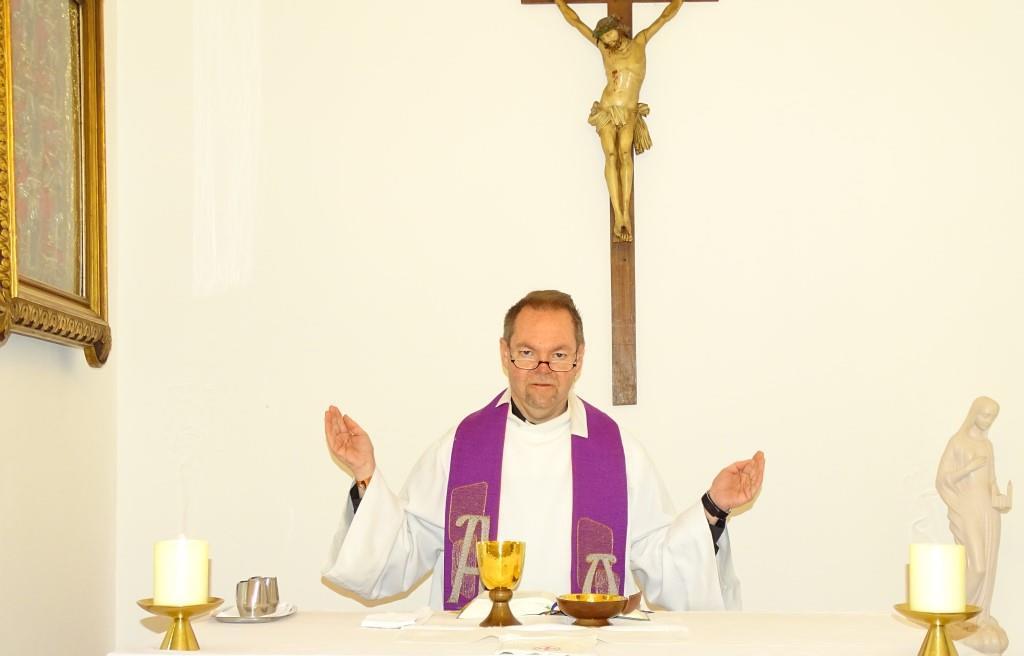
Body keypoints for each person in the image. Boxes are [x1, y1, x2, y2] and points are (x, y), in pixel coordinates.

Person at [323, 290, 765, 610]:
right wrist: (365, 474)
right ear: (505, 354)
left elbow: (665, 566)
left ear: (578, 359)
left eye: (558, 355)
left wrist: (713, 508)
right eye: (527, 352)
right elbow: (398, 555)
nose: (542, 369)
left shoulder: (618, 454)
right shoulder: (460, 448)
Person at [552, 0, 684, 243]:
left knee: (625, 154)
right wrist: (560, 3)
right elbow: (577, 23)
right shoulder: (604, 48)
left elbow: (665, 17)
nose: (609, 40)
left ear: (618, 28)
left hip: (629, 111)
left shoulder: (640, 41)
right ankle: (619, 216)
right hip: (607, 109)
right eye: (604, 37)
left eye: (610, 33)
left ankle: (626, 213)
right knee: (611, 156)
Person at [936, 396, 1013, 652]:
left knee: (988, 566)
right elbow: (943, 479)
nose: (988, 420)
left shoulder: (988, 445)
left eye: (993, 417)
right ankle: (957, 615)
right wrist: (968, 468)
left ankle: (980, 616)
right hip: (968, 507)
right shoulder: (957, 442)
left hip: (989, 511)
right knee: (977, 566)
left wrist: (1000, 498)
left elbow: (991, 480)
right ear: (974, 413)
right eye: (985, 415)